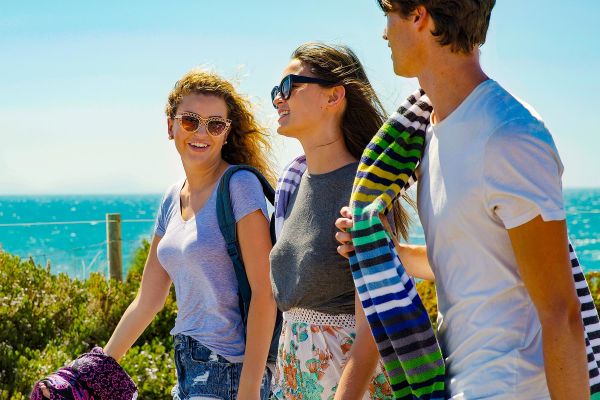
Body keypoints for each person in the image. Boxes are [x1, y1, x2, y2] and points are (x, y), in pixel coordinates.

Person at [335, 1, 592, 399]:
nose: (384, 33)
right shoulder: (429, 133)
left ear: (419, 16)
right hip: (457, 384)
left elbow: (562, 314)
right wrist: (387, 252)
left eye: (388, 15)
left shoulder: (508, 135)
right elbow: (472, 263)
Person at [41, 69, 278, 400]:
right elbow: (147, 300)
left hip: (231, 370)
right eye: (190, 121)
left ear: (226, 133)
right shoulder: (172, 197)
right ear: (171, 126)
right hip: (186, 368)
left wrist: (250, 390)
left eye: (215, 124)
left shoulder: (239, 186)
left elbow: (265, 292)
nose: (202, 133)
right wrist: (92, 372)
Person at [269, 42, 413, 400]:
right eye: (276, 91)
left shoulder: (364, 191)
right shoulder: (292, 182)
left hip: (347, 384)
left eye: (289, 87)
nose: (277, 99)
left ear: (333, 96)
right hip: (293, 380)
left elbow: (373, 332)